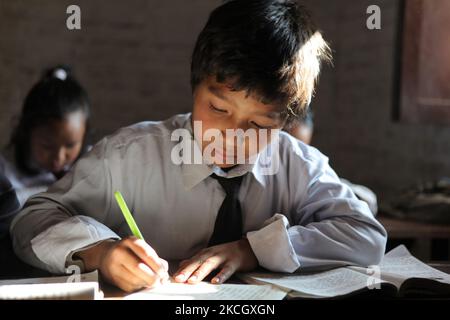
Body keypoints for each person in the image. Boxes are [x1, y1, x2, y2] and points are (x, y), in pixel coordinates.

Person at [11, 0, 386, 293]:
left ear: (286, 123)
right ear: (194, 87)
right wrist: (100, 253)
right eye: (218, 108)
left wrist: (253, 249)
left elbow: (367, 237)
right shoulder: (129, 157)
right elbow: (32, 219)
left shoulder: (296, 165)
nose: (230, 134)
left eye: (258, 123)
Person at [0, 65, 91, 209]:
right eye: (47, 146)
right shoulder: (5, 173)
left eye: (70, 145)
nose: (59, 157)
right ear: (26, 132)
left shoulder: (93, 166)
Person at [285, 109, 379, 214]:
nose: (298, 158)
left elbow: (367, 200)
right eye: (289, 152)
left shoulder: (313, 172)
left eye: (304, 149)